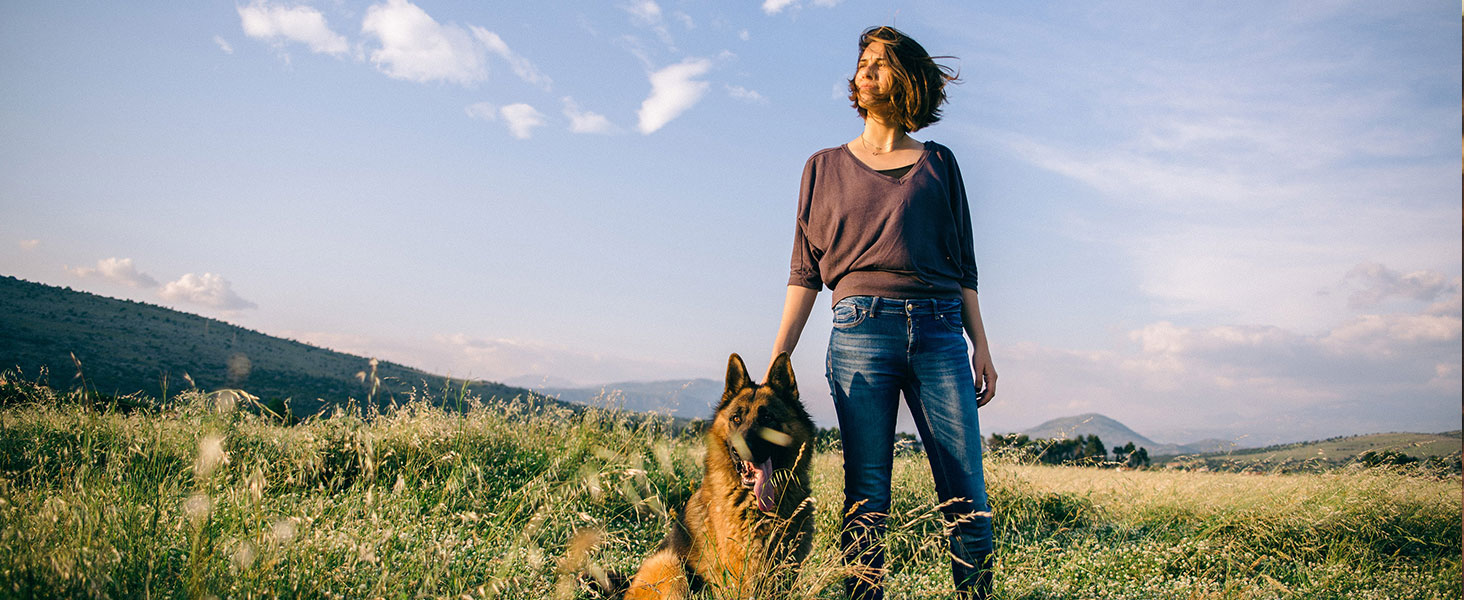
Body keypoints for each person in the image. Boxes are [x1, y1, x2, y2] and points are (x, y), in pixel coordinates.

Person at [768, 25, 997, 600]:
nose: (865, 70)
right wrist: (776, 360)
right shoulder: (822, 166)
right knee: (867, 491)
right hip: (859, 331)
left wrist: (982, 347)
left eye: (881, 63)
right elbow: (805, 272)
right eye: (862, 62)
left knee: (965, 489)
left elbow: (963, 263)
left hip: (942, 330)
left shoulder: (941, 163)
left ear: (908, 79)